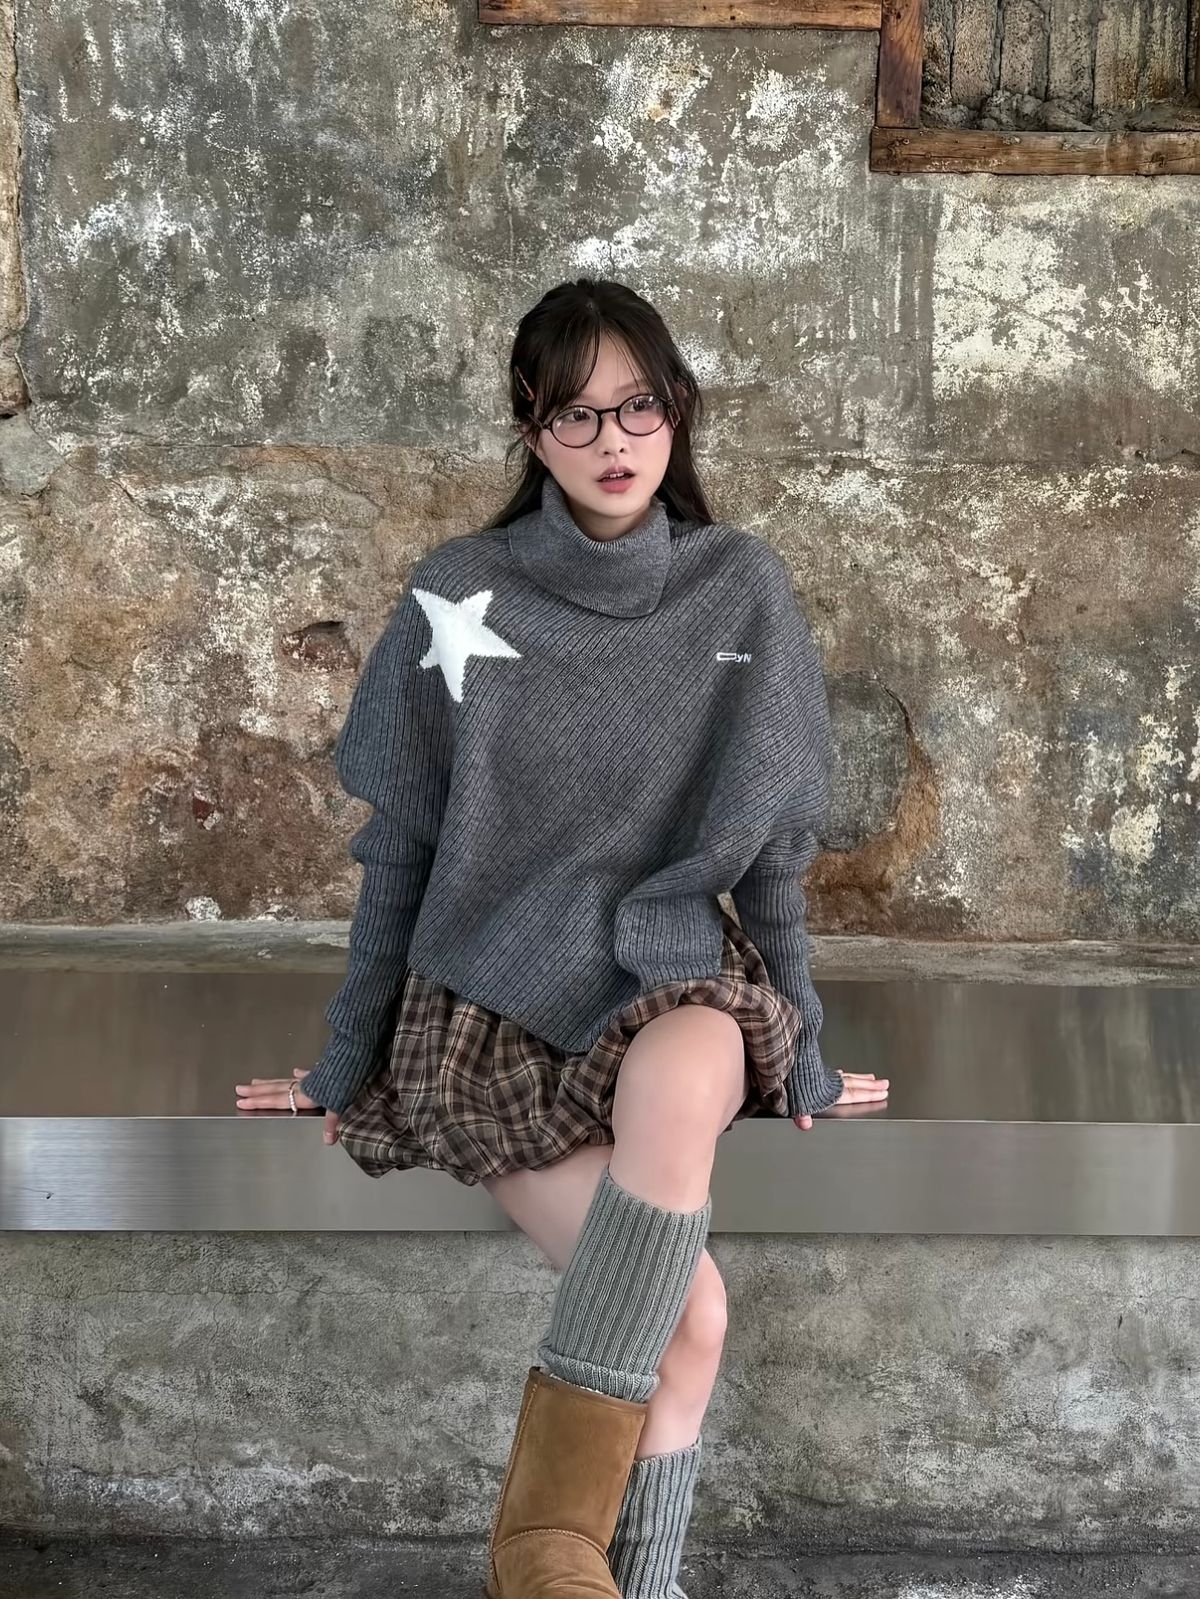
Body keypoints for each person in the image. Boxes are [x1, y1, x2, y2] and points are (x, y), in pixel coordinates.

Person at [235, 276, 888, 1598]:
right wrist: (347, 1055)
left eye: (638, 406)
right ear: (530, 427)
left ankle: (542, 1560)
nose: (612, 441)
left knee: (696, 1055)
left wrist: (806, 1051)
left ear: (678, 411)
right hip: (486, 1006)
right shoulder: (457, 594)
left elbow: (771, 855)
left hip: (669, 976)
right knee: (691, 1318)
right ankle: (586, 1570)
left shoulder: (738, 590)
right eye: (575, 414)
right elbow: (400, 850)